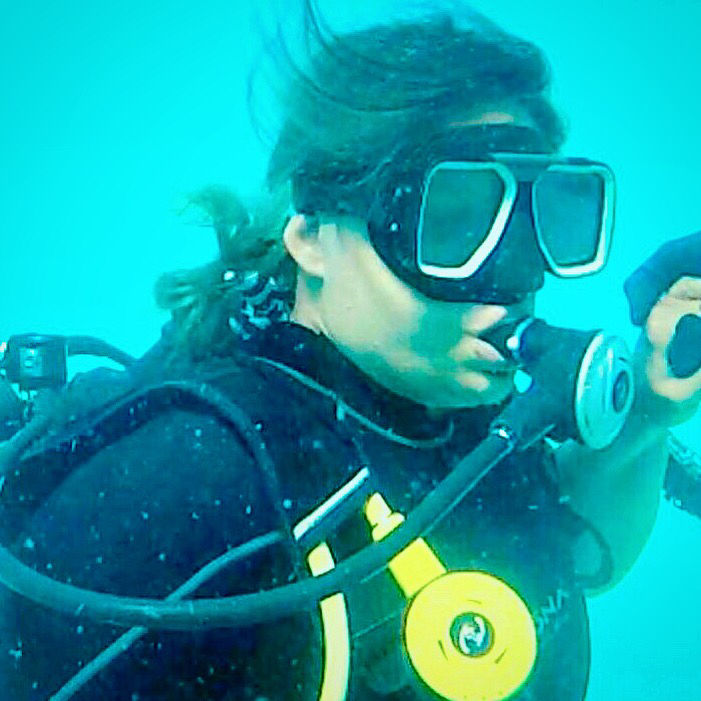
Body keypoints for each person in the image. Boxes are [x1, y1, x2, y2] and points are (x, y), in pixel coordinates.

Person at [0, 3, 700, 700]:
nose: (515, 275)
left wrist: (645, 415)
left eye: (544, 218)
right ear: (311, 237)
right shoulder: (193, 479)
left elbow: (568, 552)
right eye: (451, 223)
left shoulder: (450, 413)